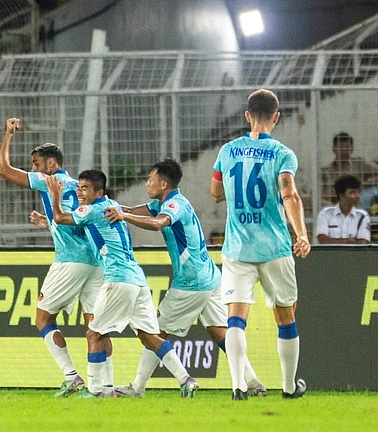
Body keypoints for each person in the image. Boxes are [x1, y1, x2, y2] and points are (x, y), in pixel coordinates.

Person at [101, 158, 266, 397]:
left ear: (164, 184)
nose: (147, 183)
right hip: (209, 277)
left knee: (154, 333)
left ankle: (138, 387)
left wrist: (123, 217)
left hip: (192, 283)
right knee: (221, 333)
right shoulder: (166, 202)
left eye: (151, 179)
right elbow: (142, 210)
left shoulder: (174, 206)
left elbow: (157, 223)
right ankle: (253, 383)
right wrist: (118, 208)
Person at [46, 170, 198, 398]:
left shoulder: (92, 210)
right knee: (148, 337)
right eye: (78, 188)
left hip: (118, 279)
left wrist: (55, 195)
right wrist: (45, 223)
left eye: (85, 189)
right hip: (137, 280)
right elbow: (82, 228)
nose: (79, 193)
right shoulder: (112, 206)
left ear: (99, 192)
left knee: (94, 333)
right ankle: (186, 379)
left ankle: (97, 391)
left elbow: (59, 218)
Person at [0, 118, 107, 398]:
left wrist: (8, 134)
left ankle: (71, 376)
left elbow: (3, 170)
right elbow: (80, 221)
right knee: (95, 326)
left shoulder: (49, 180)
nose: (33, 169)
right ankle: (103, 387)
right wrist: (50, 224)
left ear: (51, 164)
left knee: (43, 318)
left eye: (36, 164)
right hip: (95, 263)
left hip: (70, 261)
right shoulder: (78, 185)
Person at [211, 89, 310, 401]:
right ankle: (289, 387)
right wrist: (302, 234)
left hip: (237, 248)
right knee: (286, 316)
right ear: (276, 117)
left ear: (247, 116)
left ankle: (238, 386)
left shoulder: (227, 151)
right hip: (274, 247)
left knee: (236, 318)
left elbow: (215, 192)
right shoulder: (282, 154)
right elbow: (289, 195)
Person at [320, 132, 378, 205]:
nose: (344, 151)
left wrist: (365, 184)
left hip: (356, 205)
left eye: (347, 147)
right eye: (340, 148)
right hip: (334, 205)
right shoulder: (326, 171)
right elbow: (323, 195)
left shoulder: (359, 164)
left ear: (352, 149)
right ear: (334, 149)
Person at [316, 175, 371, 244]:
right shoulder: (325, 214)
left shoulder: (362, 216)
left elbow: (362, 243)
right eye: (352, 192)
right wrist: (348, 241)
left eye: (358, 192)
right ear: (341, 196)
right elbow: (323, 240)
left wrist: (335, 241)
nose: (357, 196)